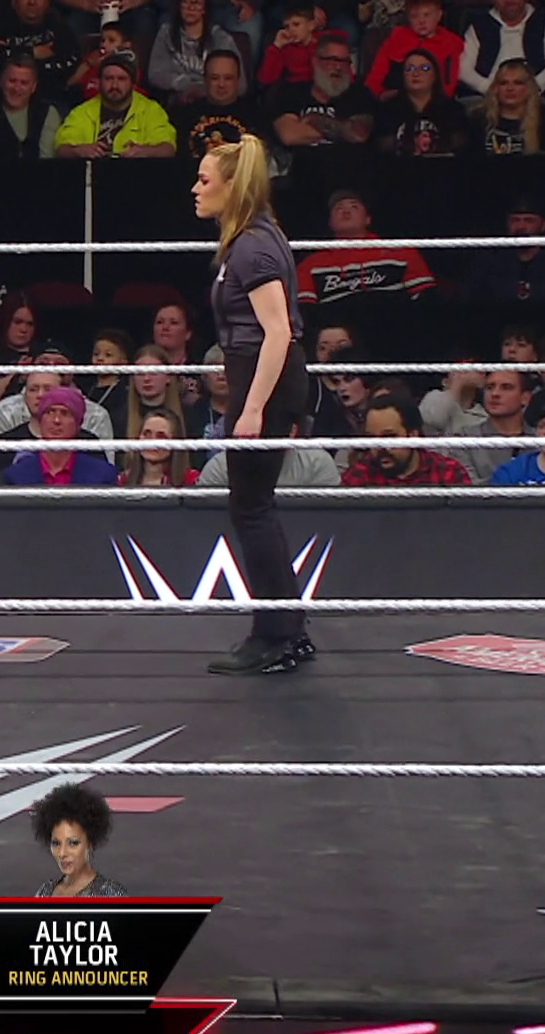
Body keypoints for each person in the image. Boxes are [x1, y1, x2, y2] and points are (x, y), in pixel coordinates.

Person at [191, 133, 312, 676]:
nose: (195, 189)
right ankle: (286, 629)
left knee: (251, 507)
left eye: (204, 179)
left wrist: (254, 408)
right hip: (258, 375)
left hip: (266, 379)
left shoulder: (252, 246)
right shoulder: (253, 237)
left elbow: (278, 331)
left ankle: (275, 635)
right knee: (255, 504)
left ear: (232, 186)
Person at [30, 784, 128, 897]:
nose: (62, 853)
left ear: (90, 843)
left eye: (73, 843)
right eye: (56, 843)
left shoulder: (110, 895)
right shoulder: (45, 891)